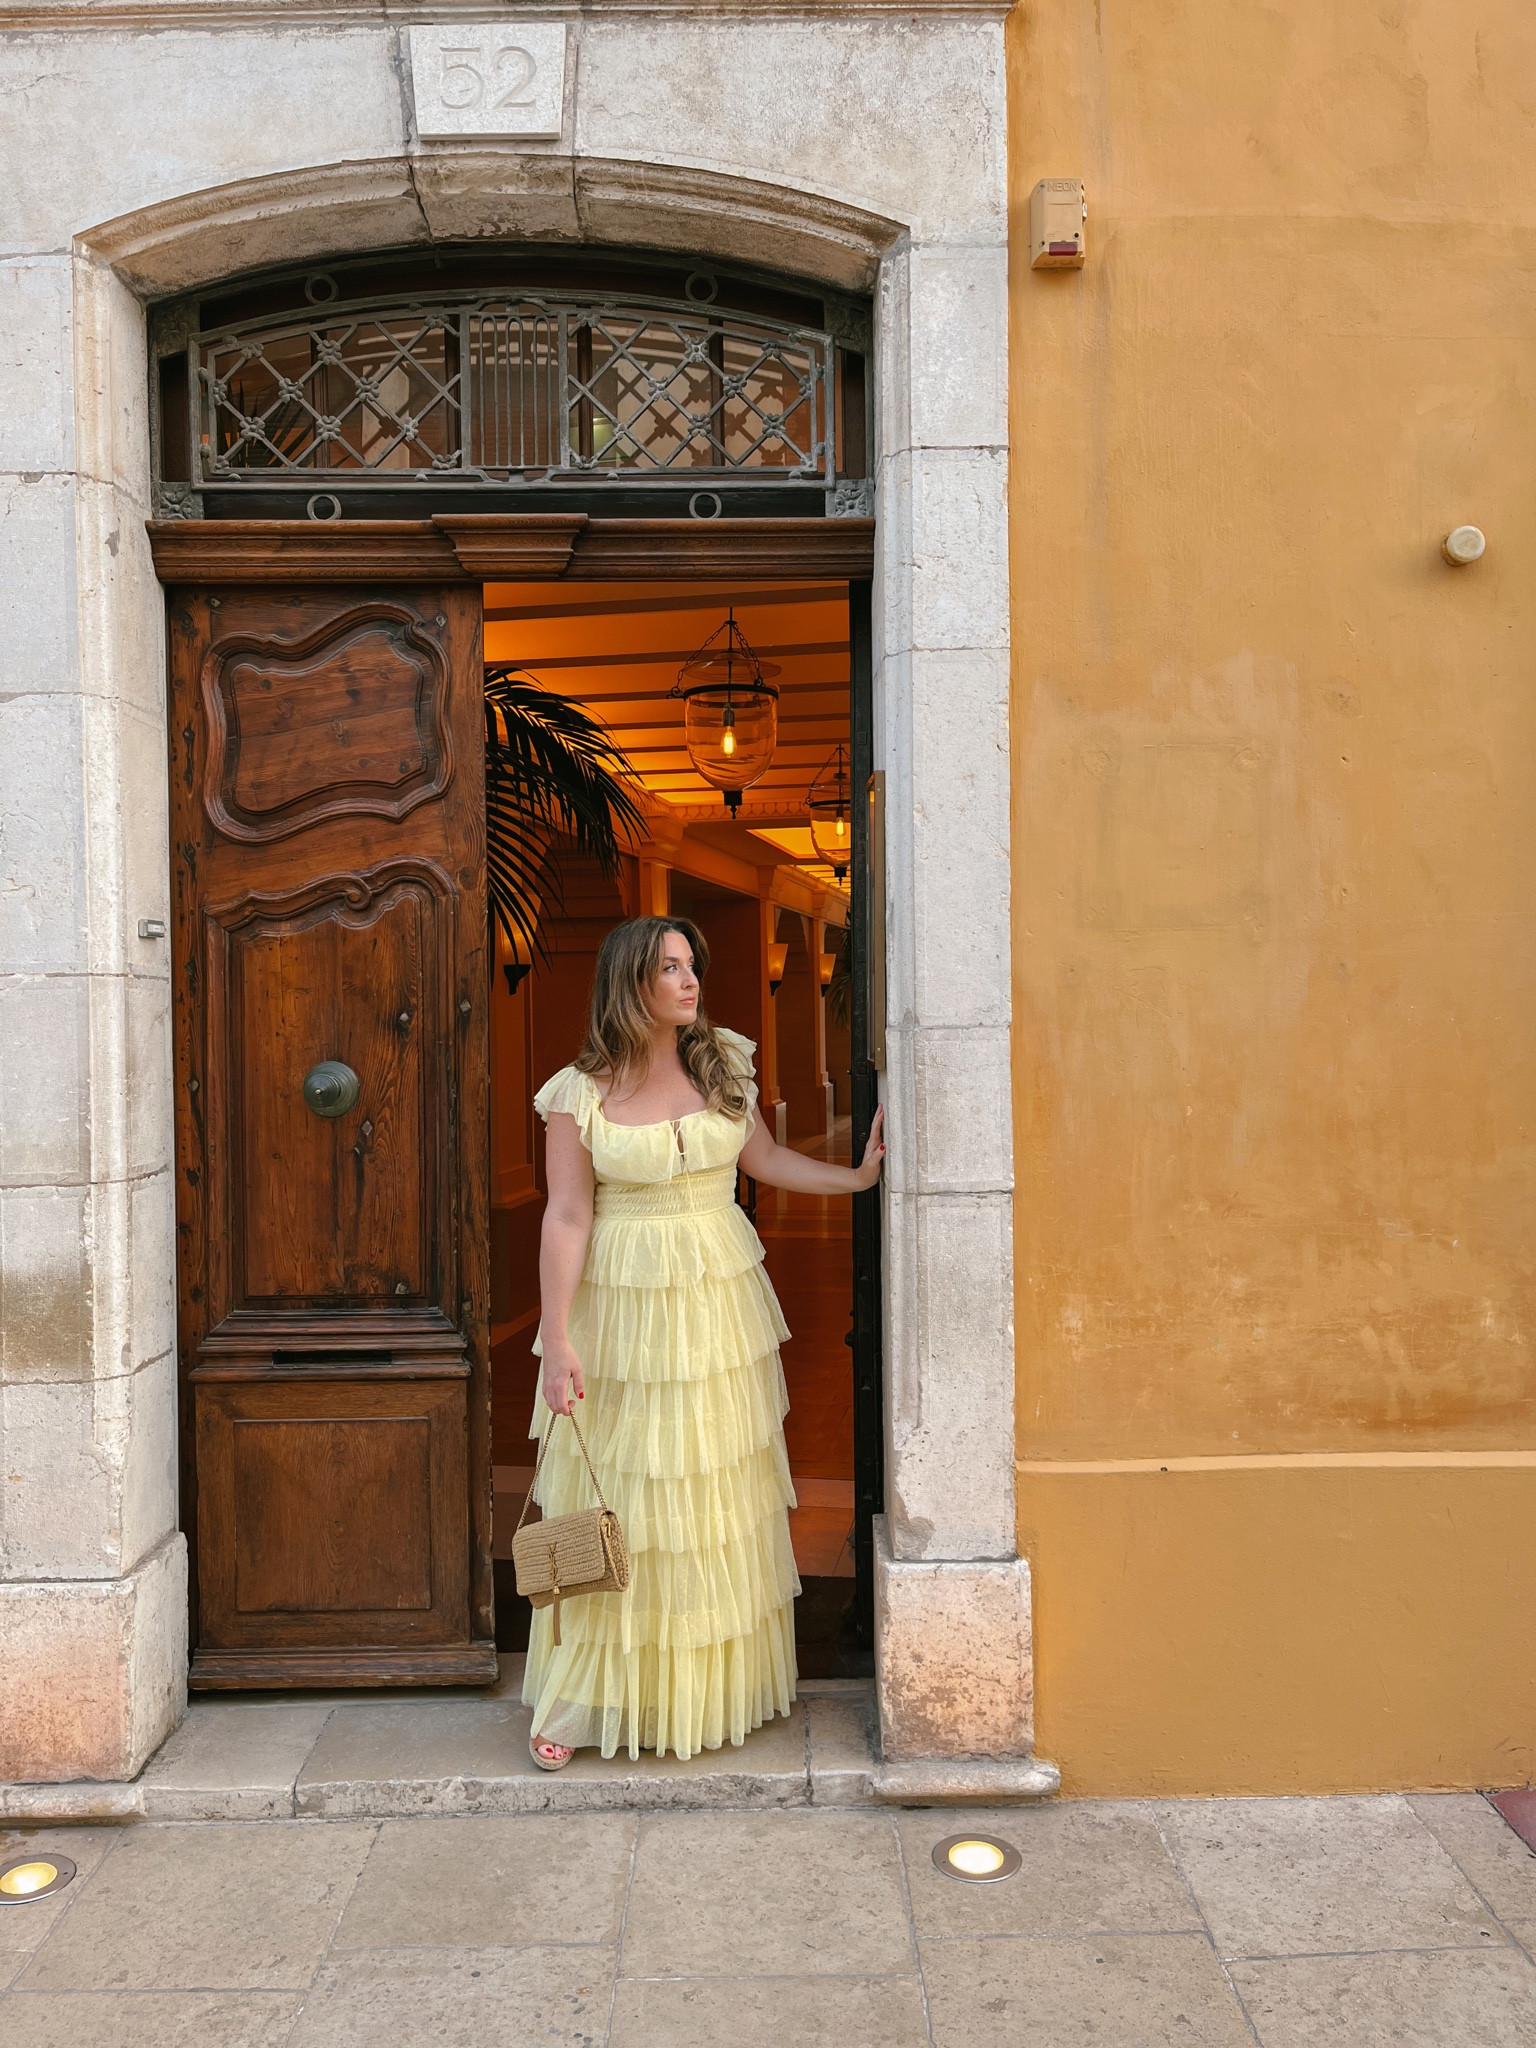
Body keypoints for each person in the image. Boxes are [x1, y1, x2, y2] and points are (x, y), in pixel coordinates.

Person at [523, 914, 885, 1768]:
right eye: (670, 970)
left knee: (709, 1495)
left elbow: (761, 1160)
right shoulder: (577, 1093)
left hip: (717, 1304)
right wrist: (557, 1335)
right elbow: (568, 1216)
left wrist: (859, 1177)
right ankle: (584, 1699)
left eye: (692, 967)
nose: (689, 982)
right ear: (630, 984)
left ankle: (701, 1688)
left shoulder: (720, 1060)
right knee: (625, 1493)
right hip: (622, 1307)